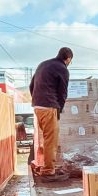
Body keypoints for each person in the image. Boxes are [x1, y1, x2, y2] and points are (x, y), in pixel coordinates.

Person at [29, 47, 72, 176]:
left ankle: (44, 165)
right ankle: (48, 170)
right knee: (51, 140)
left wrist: (37, 101)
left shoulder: (43, 64)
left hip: (37, 107)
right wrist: (59, 110)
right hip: (49, 107)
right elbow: (62, 92)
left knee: (46, 138)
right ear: (68, 59)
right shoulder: (62, 69)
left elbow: (31, 86)